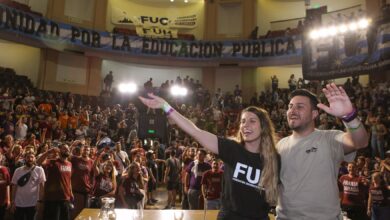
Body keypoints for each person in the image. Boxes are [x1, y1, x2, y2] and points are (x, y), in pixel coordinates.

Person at [140, 93, 279, 220]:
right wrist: (166, 106)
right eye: (243, 121)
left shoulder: (274, 159)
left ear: (263, 126)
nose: (245, 125)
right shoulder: (232, 149)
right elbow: (196, 132)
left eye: (252, 121)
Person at [276, 84, 369, 219]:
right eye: (290, 106)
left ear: (314, 114)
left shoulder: (329, 138)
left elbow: (361, 142)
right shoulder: (280, 145)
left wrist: (348, 116)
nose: (292, 110)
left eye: (300, 107)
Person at [37, 144, 74, 220]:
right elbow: (38, 162)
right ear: (59, 151)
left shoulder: (70, 164)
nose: (67, 150)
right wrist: (48, 152)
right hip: (53, 199)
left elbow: (69, 179)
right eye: (64, 149)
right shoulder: (52, 162)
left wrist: (71, 192)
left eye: (68, 149)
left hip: (65, 198)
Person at [11, 151, 46, 220]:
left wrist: (40, 202)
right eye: (28, 157)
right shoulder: (18, 171)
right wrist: (13, 202)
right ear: (24, 158)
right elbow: (14, 186)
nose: (30, 159)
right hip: (18, 204)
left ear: (35, 158)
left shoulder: (39, 170)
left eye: (32, 157)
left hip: (33, 204)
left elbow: (42, 187)